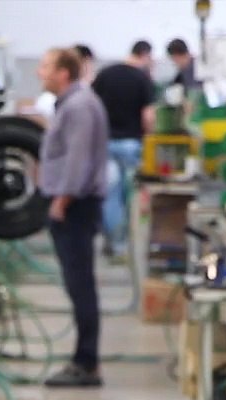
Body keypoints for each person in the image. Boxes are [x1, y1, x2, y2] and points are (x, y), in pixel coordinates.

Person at [36, 47, 109, 388]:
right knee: (78, 284)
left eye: (46, 67)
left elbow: (78, 161)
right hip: (74, 204)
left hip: (75, 206)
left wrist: (61, 202)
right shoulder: (73, 104)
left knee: (81, 286)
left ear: (64, 73)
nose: (40, 72)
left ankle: (86, 362)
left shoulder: (79, 107)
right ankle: (85, 359)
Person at [92, 40, 155, 259]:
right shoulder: (142, 79)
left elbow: (93, 109)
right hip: (131, 144)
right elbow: (148, 116)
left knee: (110, 194)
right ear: (145, 55)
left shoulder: (105, 74)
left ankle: (115, 245)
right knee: (133, 196)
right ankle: (131, 244)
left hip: (105, 143)